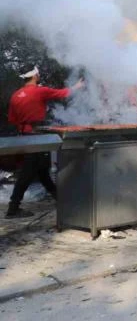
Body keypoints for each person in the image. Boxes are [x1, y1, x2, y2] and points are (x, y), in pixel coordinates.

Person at [6, 66, 85, 218]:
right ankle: (13, 209)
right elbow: (62, 93)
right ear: (35, 75)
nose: (39, 75)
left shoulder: (16, 95)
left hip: (24, 135)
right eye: (38, 73)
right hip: (37, 137)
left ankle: (61, 200)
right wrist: (77, 86)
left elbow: (12, 119)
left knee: (42, 171)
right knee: (27, 173)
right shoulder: (39, 91)